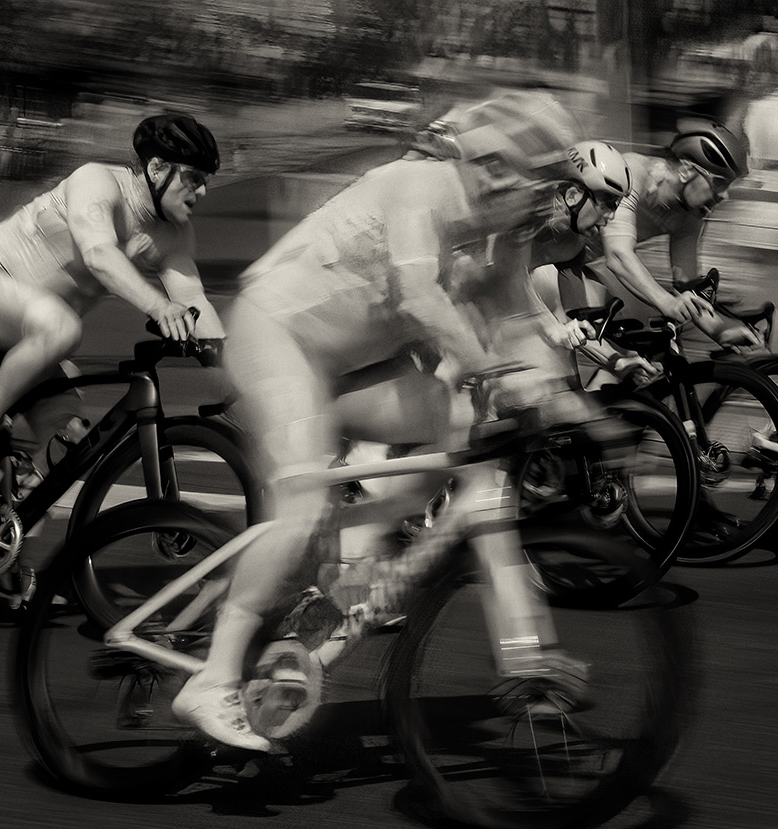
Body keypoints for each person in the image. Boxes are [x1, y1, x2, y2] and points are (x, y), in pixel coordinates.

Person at [169, 90, 598, 751]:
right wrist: (495, 371)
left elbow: (519, 322)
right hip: (278, 336)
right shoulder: (417, 186)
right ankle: (214, 678)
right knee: (300, 503)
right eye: (540, 181)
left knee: (464, 436)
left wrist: (572, 403)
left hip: (353, 366)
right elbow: (421, 298)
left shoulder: (504, 232)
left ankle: (345, 571)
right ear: (495, 167)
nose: (547, 201)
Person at [0, 112, 223, 484]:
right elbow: (98, 254)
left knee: (73, 441)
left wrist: (229, 374)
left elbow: (193, 299)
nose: (202, 192)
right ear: (157, 168)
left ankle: (8, 509)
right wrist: (158, 306)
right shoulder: (98, 181)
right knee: (63, 328)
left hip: (37, 332)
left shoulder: (175, 235)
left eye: (206, 181)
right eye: (193, 178)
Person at [531, 117, 759, 365]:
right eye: (719, 182)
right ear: (686, 171)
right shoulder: (634, 173)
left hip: (571, 264)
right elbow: (618, 255)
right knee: (584, 339)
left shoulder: (689, 215)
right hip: (544, 260)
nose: (725, 195)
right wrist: (667, 302)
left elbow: (687, 289)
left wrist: (721, 330)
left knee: (642, 351)